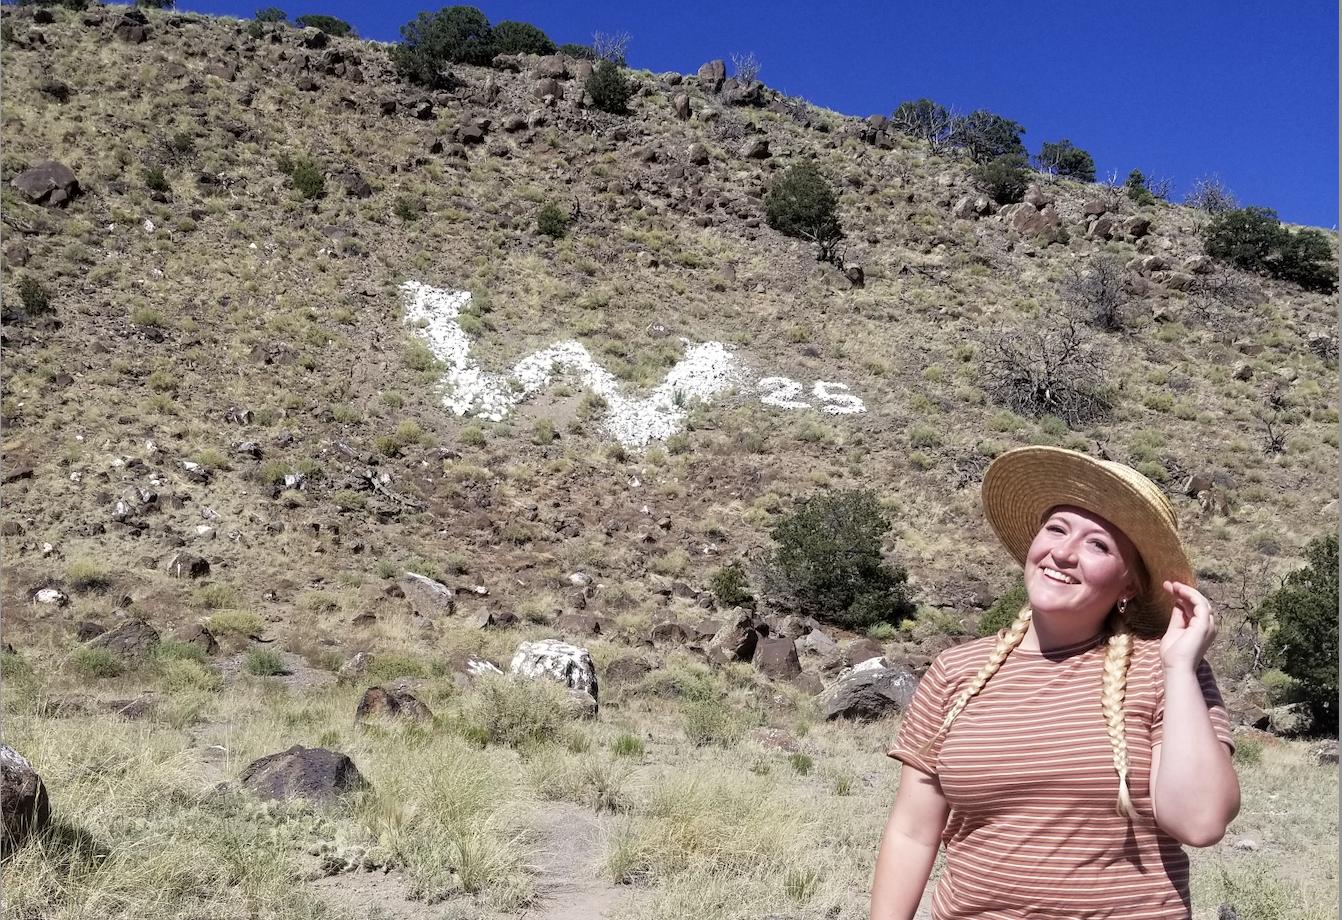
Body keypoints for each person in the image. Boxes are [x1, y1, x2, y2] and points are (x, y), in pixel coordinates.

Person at [869, 445, 1240, 920]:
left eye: (1098, 545)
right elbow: (912, 833)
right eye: (1057, 529)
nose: (1063, 553)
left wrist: (1181, 667)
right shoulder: (955, 671)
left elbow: (1201, 822)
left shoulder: (1163, 669)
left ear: (1129, 584)